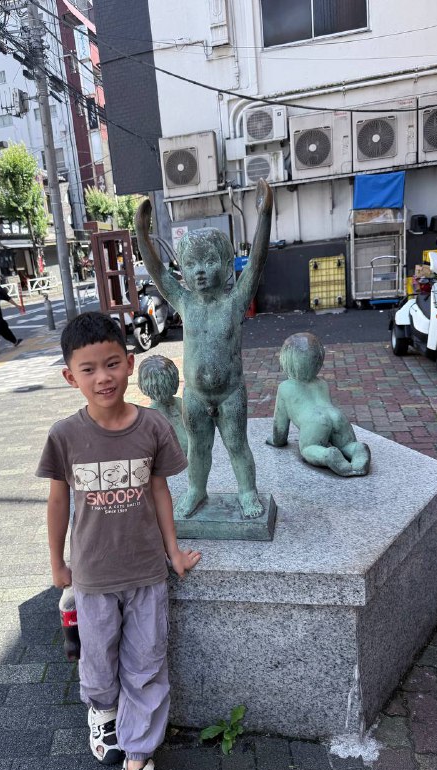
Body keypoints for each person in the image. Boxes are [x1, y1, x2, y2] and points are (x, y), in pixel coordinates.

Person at [36, 311, 201, 770]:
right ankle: (103, 711)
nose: (102, 377)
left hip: (146, 572)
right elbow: (58, 502)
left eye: (111, 364)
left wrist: (173, 552)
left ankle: (136, 762)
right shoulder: (65, 436)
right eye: (88, 369)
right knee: (99, 660)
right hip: (92, 576)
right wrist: (57, 564)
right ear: (70, 377)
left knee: (147, 664)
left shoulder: (152, 426)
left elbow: (161, 491)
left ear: (130, 364)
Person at [134, 179, 273, 519]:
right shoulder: (184, 301)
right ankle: (196, 489)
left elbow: (256, 264)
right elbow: (157, 272)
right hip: (195, 395)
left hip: (230, 393)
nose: (200, 271)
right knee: (198, 448)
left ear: (226, 266)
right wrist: (141, 233)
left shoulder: (234, 302)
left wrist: (264, 215)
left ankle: (247, 491)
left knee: (237, 445)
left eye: (210, 262)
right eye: (191, 264)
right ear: (182, 269)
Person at [266, 332, 371, 476]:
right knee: (346, 444)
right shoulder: (322, 384)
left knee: (308, 448)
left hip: (314, 421)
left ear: (286, 361)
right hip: (336, 416)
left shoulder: (285, 388)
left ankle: (327, 455)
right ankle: (358, 450)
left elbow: (280, 428)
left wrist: (276, 441)